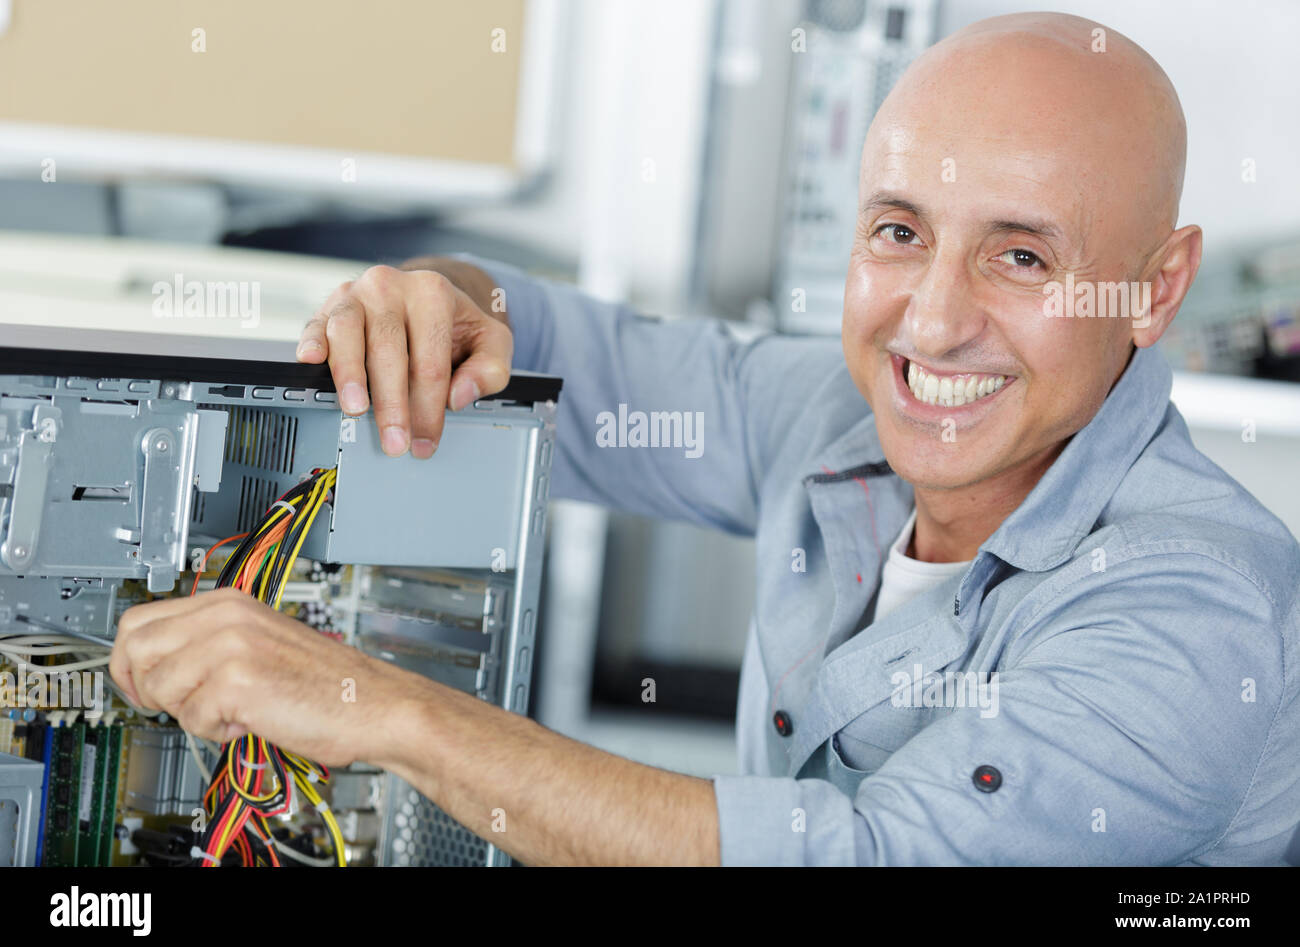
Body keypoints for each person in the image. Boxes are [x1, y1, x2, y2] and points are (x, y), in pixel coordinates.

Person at [110, 12, 1300, 865]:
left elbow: (866, 856)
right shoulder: (836, 416)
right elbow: (554, 345)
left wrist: (387, 709)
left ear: (1157, 287)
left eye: (1021, 254)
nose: (931, 319)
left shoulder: (1193, 607)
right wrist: (428, 300)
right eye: (898, 232)